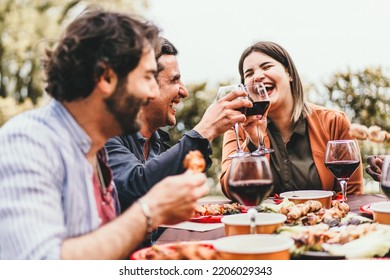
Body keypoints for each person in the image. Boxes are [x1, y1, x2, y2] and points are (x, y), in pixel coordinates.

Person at [0, 8, 209, 260]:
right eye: (146, 77)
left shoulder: (94, 152)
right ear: (106, 77)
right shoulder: (29, 142)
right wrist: (149, 210)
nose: (153, 93)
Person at [105, 37, 252, 211]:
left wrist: (253, 140)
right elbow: (135, 186)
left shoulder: (159, 145)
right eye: (174, 80)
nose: (184, 91)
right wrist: (204, 131)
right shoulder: (106, 137)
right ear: (144, 84)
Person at [220, 41, 363, 199]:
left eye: (266, 67)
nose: (257, 76)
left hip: (323, 222)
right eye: (249, 74)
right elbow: (230, 190)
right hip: (265, 221)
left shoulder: (334, 121)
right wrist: (253, 144)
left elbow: (352, 194)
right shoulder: (237, 128)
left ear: (289, 73)